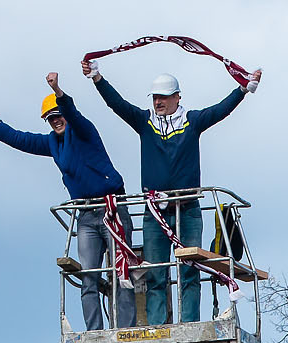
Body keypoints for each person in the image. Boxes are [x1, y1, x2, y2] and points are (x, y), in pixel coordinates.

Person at [86, 55, 261, 326]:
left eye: (165, 97)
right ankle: (157, 327)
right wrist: (97, 78)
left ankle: (189, 324)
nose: (158, 102)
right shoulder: (145, 123)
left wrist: (242, 90)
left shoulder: (192, 121)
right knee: (156, 273)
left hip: (188, 209)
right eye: (155, 97)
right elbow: (116, 104)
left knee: (190, 269)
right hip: (155, 212)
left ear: (178, 97)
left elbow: (220, 110)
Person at [0, 73, 127, 330]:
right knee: (89, 277)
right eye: (51, 118)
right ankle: (96, 332)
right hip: (86, 215)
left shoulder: (84, 131)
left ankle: (127, 329)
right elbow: (20, 139)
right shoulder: (54, 143)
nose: (56, 121)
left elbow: (72, 112)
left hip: (112, 209)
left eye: (58, 115)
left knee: (122, 274)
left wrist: (57, 90)